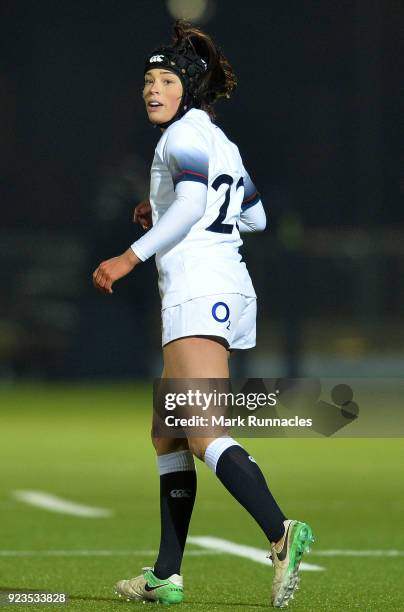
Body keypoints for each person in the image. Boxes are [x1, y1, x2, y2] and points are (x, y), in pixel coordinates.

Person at [92, 19, 314, 609]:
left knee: (203, 430)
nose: (152, 90)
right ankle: (167, 574)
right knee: (168, 431)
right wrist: (162, 207)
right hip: (226, 286)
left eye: (164, 80)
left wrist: (129, 256)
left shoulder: (179, 139)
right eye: (147, 80)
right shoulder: (219, 140)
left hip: (197, 289)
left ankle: (281, 531)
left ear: (187, 89)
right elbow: (255, 217)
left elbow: (192, 202)